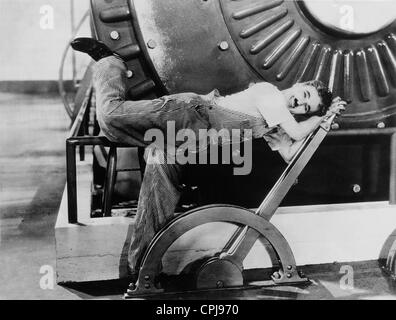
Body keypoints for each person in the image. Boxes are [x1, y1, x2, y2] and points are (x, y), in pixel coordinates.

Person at [71, 38, 346, 277]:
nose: (300, 103)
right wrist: (320, 118)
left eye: (306, 107)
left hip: (185, 143)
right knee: (111, 119)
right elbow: (297, 133)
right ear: (298, 85)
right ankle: (111, 62)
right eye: (305, 94)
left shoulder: (274, 123)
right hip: (188, 113)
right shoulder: (270, 94)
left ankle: (142, 270)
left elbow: (289, 153)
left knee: (158, 194)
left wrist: (325, 124)